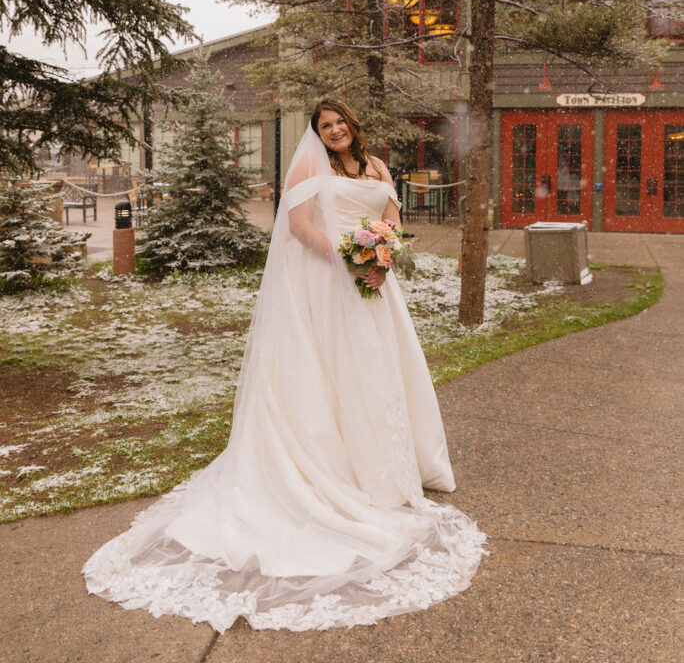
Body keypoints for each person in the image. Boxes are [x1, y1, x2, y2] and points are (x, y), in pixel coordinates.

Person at [83, 98, 486, 632]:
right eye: (326, 125)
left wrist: (380, 256)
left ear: (353, 125)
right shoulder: (307, 165)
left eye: (341, 122)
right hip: (325, 277)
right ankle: (332, 465)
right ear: (316, 134)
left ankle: (385, 465)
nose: (336, 130)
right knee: (329, 369)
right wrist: (349, 257)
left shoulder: (378, 166)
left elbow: (391, 217)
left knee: (375, 370)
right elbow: (298, 225)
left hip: (373, 280)